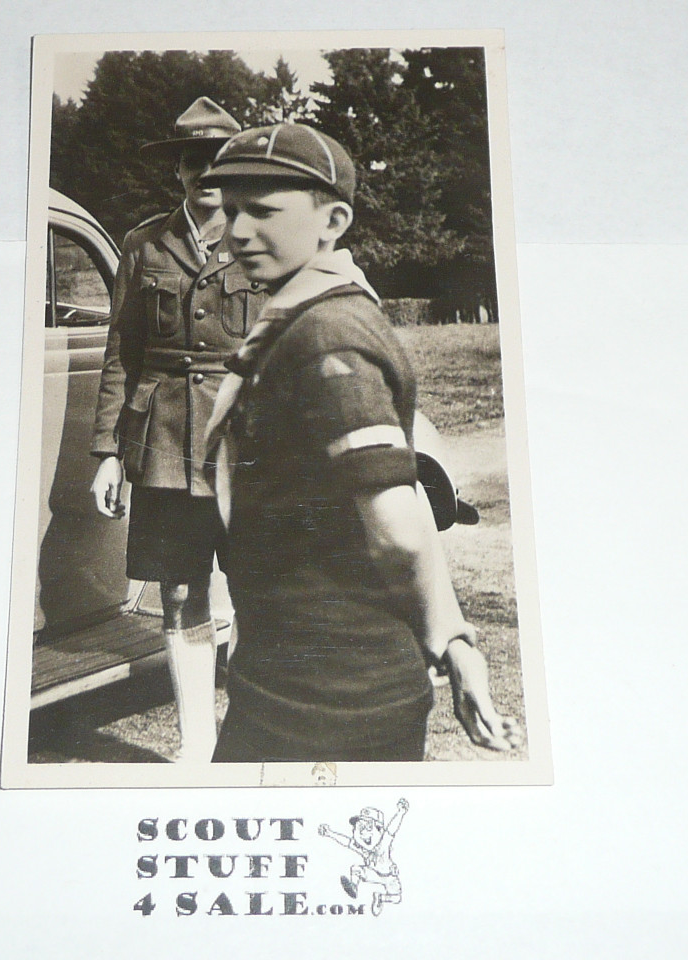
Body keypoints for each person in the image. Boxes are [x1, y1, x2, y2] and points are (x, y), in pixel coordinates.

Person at [200, 122, 521, 762]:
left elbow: (399, 523)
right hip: (304, 673)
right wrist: (450, 642)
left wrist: (454, 642)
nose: (236, 231)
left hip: (325, 693)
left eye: (262, 211)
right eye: (230, 209)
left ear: (334, 220)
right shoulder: (306, 315)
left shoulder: (327, 335)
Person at [89, 98, 268, 762]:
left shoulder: (265, 242)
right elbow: (121, 352)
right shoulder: (142, 244)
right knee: (182, 594)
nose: (206, 177)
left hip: (245, 446)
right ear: (178, 175)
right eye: (194, 163)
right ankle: (198, 746)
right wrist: (106, 451)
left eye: (220, 164)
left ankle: (254, 733)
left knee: (258, 587)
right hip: (163, 445)